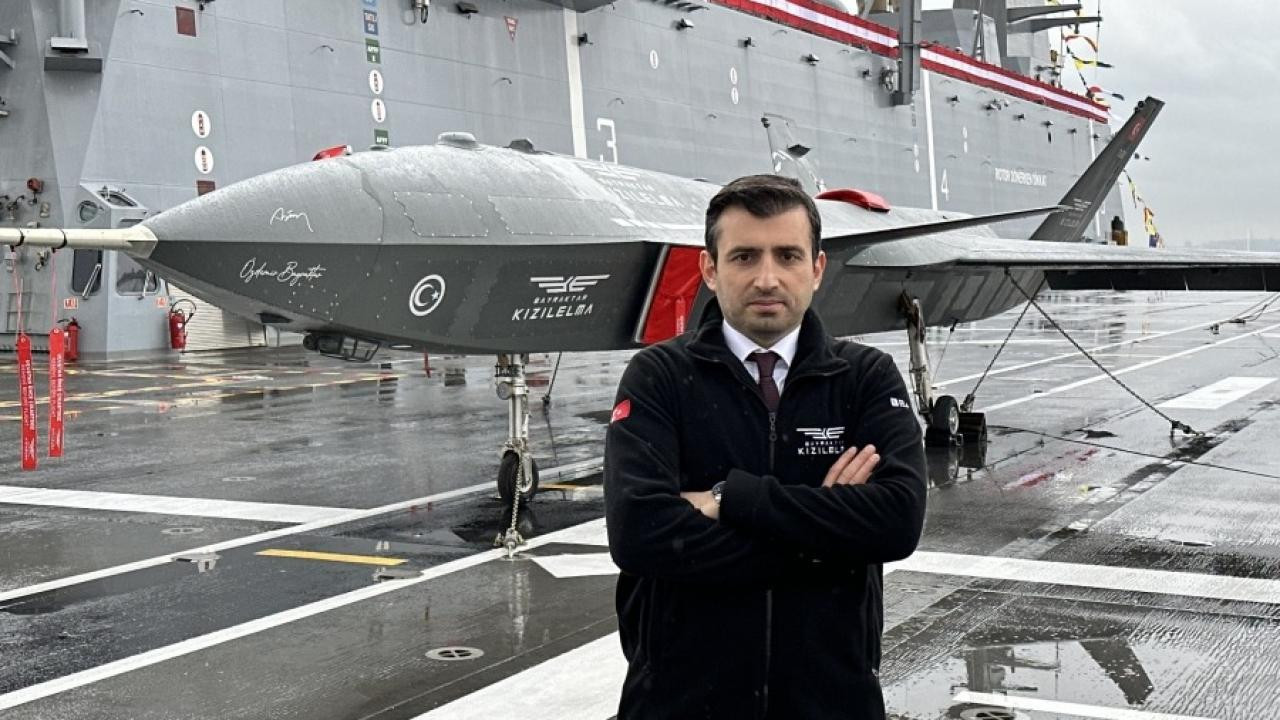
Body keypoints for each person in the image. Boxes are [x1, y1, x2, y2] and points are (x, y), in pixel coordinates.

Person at [604, 174, 928, 719]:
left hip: (832, 704)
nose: (767, 278)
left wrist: (731, 498)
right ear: (710, 269)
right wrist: (828, 540)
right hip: (679, 704)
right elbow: (640, 532)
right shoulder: (658, 377)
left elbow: (897, 521)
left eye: (788, 256)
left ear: (817, 268)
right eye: (744, 257)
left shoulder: (864, 378)